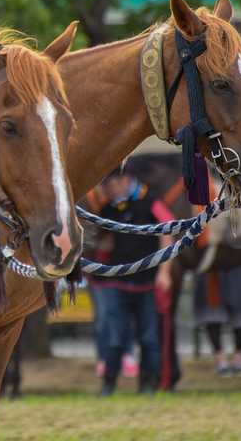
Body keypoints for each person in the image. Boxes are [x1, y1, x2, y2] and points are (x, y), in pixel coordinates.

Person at [89, 166, 173, 396]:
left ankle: (149, 384)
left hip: (147, 282)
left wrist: (164, 272)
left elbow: (169, 228)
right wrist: (102, 248)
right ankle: (108, 384)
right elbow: (103, 240)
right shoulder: (107, 208)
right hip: (117, 283)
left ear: (125, 180)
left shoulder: (150, 201)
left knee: (148, 337)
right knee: (114, 337)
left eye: (110, 184)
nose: (107, 190)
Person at [194, 265, 241, 377]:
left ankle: (238, 360)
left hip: (239, 264)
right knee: (212, 313)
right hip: (213, 265)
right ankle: (221, 361)